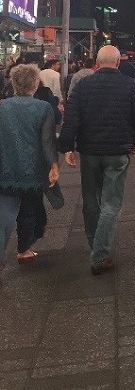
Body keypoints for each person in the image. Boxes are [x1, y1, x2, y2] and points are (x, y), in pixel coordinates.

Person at [57, 45, 135, 275]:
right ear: (118, 63)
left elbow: (71, 118)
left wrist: (67, 146)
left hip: (89, 151)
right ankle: (99, 254)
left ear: (97, 63)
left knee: (90, 200)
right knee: (112, 202)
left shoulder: (83, 86)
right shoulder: (131, 86)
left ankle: (95, 244)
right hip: (118, 151)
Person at [0, 64, 58, 270]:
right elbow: (47, 141)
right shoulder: (43, 108)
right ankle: (24, 249)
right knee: (29, 210)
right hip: (32, 169)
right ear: (35, 84)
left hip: (5, 168)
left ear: (13, 84)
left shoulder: (2, 107)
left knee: (4, 215)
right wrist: (53, 165)